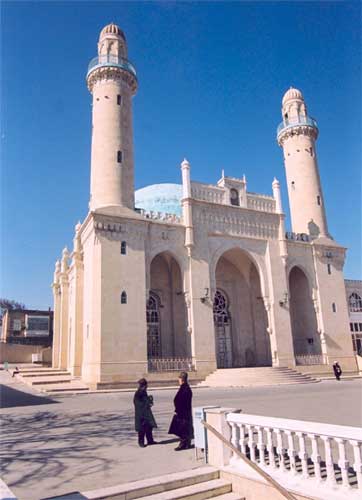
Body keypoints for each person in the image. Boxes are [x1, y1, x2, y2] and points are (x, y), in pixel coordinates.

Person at [168, 371, 194, 451]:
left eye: (179, 379)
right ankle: (186, 443)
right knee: (185, 428)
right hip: (185, 411)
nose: (178, 381)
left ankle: (183, 444)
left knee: (182, 429)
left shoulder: (184, 388)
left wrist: (177, 410)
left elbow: (179, 400)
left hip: (182, 412)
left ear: (182, 379)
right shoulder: (186, 388)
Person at [133, 378, 157, 447]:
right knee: (142, 429)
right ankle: (141, 442)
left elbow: (145, 401)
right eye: (146, 385)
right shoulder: (138, 393)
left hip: (146, 413)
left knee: (149, 427)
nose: (147, 387)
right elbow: (138, 403)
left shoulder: (143, 392)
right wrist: (148, 403)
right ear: (143, 386)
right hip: (141, 414)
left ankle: (150, 440)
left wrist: (149, 401)